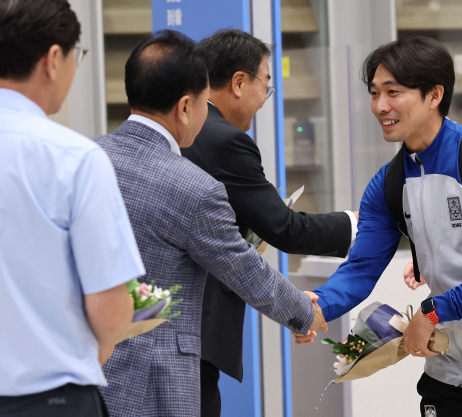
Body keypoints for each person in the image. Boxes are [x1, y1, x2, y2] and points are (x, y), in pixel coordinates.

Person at [303, 37, 462, 417]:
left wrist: (431, 312)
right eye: (374, 93)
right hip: (448, 365)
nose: (380, 106)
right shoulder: (388, 184)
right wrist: (316, 305)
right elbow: (360, 268)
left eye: (393, 92)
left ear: (434, 95)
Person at [94, 30, 326, 417]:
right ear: (186, 106)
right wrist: (302, 311)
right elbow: (245, 270)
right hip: (155, 382)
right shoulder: (193, 188)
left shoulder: (86, 157)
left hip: (86, 367)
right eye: (205, 101)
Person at [180, 29, 357, 417]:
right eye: (266, 86)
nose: (264, 100)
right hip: (192, 331)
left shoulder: (184, 129)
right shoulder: (225, 141)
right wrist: (354, 226)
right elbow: (285, 229)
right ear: (239, 83)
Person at [0, 0, 145, 415]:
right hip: (50, 398)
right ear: (52, 59)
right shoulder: (73, 158)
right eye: (75, 56)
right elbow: (110, 307)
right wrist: (96, 348)